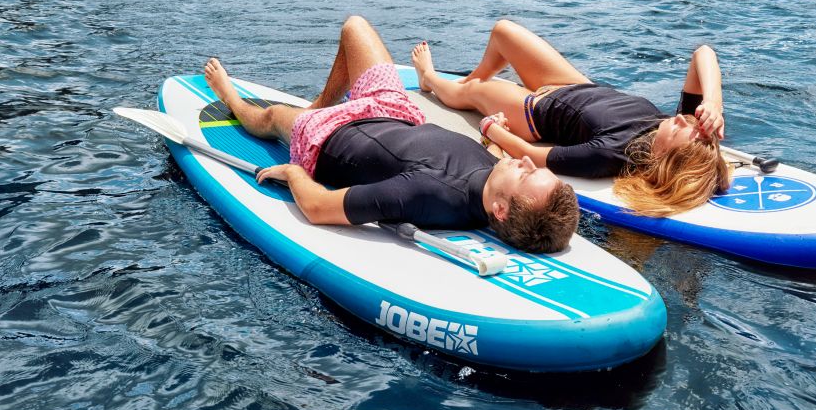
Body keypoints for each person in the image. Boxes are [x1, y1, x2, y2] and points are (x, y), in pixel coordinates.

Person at [202, 16, 580, 254]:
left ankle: (231, 97)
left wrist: (295, 174)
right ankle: (321, 100)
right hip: (393, 112)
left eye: (528, 174)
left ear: (500, 210)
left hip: (329, 135)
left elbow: (319, 209)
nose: (528, 160)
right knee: (356, 27)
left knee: (271, 119)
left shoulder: (425, 192)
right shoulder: (493, 183)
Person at [411, 20, 731, 218]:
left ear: (663, 156)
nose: (684, 120)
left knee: (476, 91)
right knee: (503, 32)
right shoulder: (674, 125)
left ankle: (431, 79)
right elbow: (703, 54)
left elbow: (535, 156)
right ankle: (467, 82)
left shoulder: (609, 154)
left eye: (681, 128)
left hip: (533, 112)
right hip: (576, 86)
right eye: (687, 121)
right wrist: (713, 102)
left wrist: (492, 130)